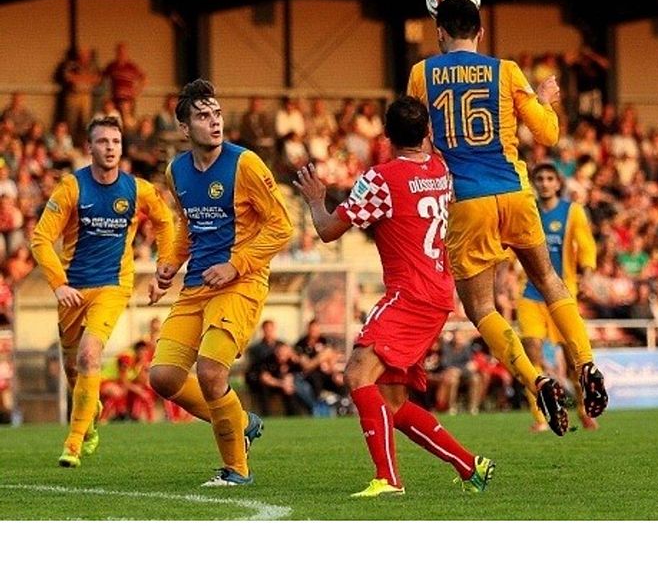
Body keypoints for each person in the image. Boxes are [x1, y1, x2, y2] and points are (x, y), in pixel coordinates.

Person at [406, 0, 607, 437]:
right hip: (515, 192)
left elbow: (414, 138)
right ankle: (586, 362)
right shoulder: (506, 70)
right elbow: (549, 135)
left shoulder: (421, 74)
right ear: (480, 32)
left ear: (440, 33)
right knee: (551, 281)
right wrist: (545, 98)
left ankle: (537, 383)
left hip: (466, 201)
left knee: (482, 308)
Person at [294, 95, 494, 497]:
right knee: (392, 400)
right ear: (427, 133)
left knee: (355, 374)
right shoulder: (440, 168)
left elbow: (329, 230)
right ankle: (470, 465)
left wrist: (317, 200)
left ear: (385, 136)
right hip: (438, 291)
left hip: (410, 294)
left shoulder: (382, 179)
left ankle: (387, 480)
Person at [147, 79, 294, 487]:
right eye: (202, 116)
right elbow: (185, 224)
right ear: (183, 128)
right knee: (163, 377)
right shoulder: (176, 170)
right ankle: (240, 421)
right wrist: (171, 264)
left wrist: (236, 264)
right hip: (196, 285)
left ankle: (235, 469)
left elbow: (283, 226)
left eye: (217, 114)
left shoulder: (245, 163)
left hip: (240, 283)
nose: (214, 123)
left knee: (212, 373)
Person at [30, 115, 175, 467]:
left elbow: (165, 221)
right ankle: (90, 411)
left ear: (122, 147)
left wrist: (164, 269)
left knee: (89, 355)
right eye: (103, 142)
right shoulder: (71, 188)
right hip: (72, 290)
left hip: (113, 285)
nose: (110, 148)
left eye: (115, 142)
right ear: (89, 147)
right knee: (74, 369)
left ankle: (74, 443)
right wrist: (59, 284)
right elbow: (40, 238)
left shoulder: (137, 189)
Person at [516, 162, 598, 432]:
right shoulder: (528, 211)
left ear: (558, 183)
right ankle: (540, 417)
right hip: (530, 293)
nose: (544, 183)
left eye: (550, 178)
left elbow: (585, 245)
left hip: (562, 294)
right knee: (531, 351)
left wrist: (586, 275)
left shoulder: (572, 211)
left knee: (573, 359)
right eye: (539, 178)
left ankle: (584, 410)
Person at [102, 42, 146, 112]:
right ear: (116, 53)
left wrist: (136, 91)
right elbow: (102, 76)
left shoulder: (132, 66)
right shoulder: (112, 66)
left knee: (127, 120)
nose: (121, 54)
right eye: (119, 52)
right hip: (115, 99)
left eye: (123, 52)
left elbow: (144, 78)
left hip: (128, 99)